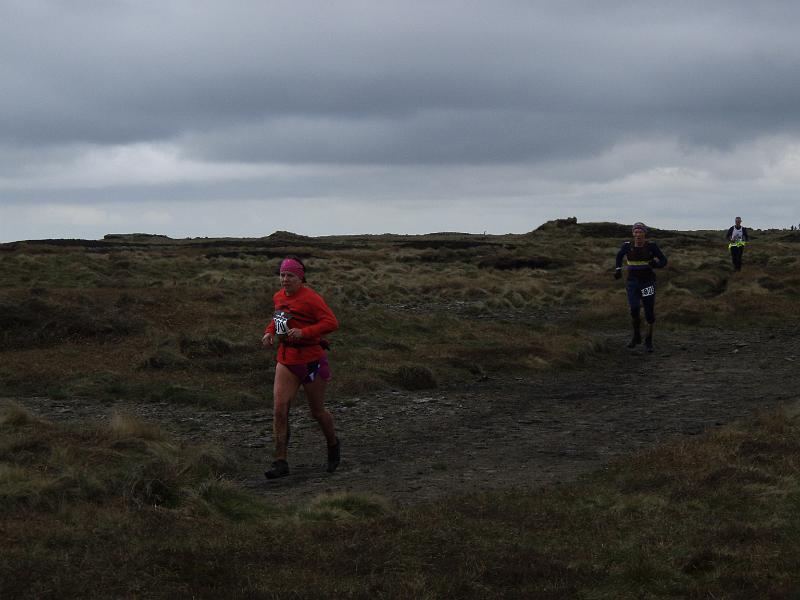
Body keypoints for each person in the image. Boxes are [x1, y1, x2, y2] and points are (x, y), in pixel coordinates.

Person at [261, 256, 340, 479]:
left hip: (312, 361)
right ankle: (280, 461)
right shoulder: (278, 296)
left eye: (290, 276)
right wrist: (270, 332)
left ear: (300, 277)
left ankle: (333, 444)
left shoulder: (311, 299)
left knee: (317, 411)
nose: (285, 280)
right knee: (279, 409)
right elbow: (279, 318)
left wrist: (304, 333)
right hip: (286, 359)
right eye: (282, 275)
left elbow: (332, 323)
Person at [614, 222, 667, 352]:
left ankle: (648, 340)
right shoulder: (627, 246)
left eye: (640, 232)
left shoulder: (652, 246)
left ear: (644, 234)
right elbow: (619, 255)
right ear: (633, 233)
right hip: (632, 283)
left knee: (649, 312)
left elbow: (664, 260)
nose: (638, 234)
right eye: (636, 232)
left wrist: (657, 265)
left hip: (648, 282)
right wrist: (618, 269)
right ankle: (636, 335)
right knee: (634, 309)